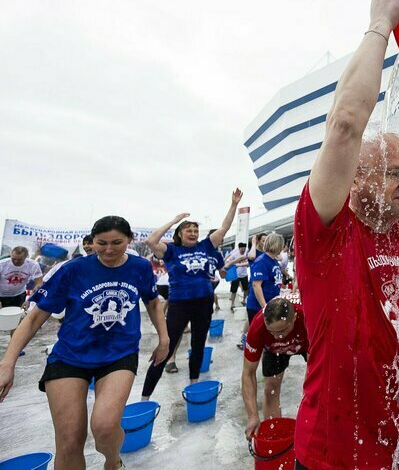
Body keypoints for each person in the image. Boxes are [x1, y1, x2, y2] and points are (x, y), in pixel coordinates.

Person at [291, 0, 399, 469]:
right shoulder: (327, 229)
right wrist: (381, 24)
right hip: (336, 456)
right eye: (393, 172)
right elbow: (346, 122)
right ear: (355, 178)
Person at [0, 216, 168, 470]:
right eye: (101, 243)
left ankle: (113, 461)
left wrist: (164, 339)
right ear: (91, 242)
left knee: (104, 426)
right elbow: (35, 318)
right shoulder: (72, 269)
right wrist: (7, 363)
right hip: (70, 356)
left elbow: (153, 301)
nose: (109, 250)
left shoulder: (140, 267)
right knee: (69, 441)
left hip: (118, 355)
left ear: (129, 240)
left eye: (117, 243)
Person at [141, 189, 242, 398]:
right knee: (166, 346)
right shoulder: (172, 251)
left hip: (203, 302)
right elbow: (151, 241)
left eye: (196, 229)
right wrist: (174, 221)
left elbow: (224, 228)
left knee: (198, 343)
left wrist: (233, 204)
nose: (193, 233)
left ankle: (194, 384)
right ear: (180, 233)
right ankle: (145, 397)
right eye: (188, 229)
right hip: (179, 303)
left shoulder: (206, 246)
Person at [243, 294, 309, 438]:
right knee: (270, 388)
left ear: (294, 318)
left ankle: (311, 431)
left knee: (312, 387)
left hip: (306, 341)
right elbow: (248, 373)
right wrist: (252, 415)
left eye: (281, 331)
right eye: (271, 331)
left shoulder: (308, 316)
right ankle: (275, 433)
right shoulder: (258, 327)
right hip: (273, 350)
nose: (277, 336)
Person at [245, 233, 284, 323]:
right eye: (281, 245)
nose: (282, 248)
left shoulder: (273, 260)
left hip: (270, 305)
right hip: (258, 307)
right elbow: (256, 286)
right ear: (277, 245)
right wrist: (265, 307)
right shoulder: (262, 261)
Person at [0, 246, 43, 319]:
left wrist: (29, 299)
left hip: (19, 294)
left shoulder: (33, 265)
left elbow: (39, 283)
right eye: (13, 259)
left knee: (16, 318)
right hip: (1, 295)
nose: (16, 261)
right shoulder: (2, 264)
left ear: (26, 257)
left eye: (19, 260)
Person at [225, 243, 250, 310]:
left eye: (244, 249)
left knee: (246, 289)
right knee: (234, 290)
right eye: (242, 249)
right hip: (236, 275)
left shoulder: (247, 253)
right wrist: (234, 263)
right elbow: (228, 261)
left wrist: (240, 265)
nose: (243, 250)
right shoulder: (235, 254)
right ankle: (232, 303)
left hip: (244, 274)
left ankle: (244, 300)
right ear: (239, 248)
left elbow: (249, 263)